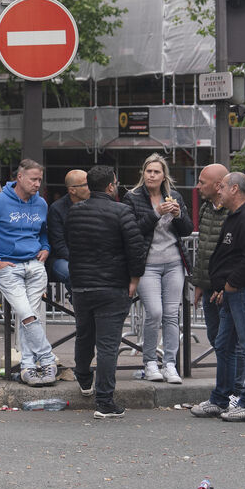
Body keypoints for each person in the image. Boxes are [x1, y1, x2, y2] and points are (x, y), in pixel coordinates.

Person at [66, 165, 145, 418]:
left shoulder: (74, 211)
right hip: (112, 286)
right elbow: (136, 248)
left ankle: (83, 378)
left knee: (84, 335)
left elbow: (70, 243)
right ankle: (104, 401)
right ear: (111, 186)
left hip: (81, 284)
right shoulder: (122, 211)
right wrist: (134, 279)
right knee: (108, 346)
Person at [192, 172, 245, 422]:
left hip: (244, 291)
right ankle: (220, 399)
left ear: (235, 189)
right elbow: (229, 255)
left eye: (223, 187)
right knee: (224, 345)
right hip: (231, 291)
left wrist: (231, 284)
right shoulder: (236, 215)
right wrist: (222, 285)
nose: (219, 191)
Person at [0, 158, 57, 386]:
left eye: (40, 180)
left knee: (27, 317)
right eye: (33, 179)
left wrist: (46, 248)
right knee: (27, 314)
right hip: (8, 267)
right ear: (19, 177)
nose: (37, 184)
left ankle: (28, 367)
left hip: (34, 264)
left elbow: (43, 232)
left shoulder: (41, 203)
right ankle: (48, 360)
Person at [122, 153, 192, 383]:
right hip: (148, 264)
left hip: (174, 262)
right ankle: (150, 362)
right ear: (143, 173)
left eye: (156, 172)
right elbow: (131, 231)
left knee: (171, 314)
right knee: (154, 312)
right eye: (148, 171)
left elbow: (187, 229)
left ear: (164, 176)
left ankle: (170, 364)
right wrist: (156, 214)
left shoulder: (174, 196)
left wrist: (178, 215)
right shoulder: (132, 197)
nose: (151, 175)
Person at [192, 163, 242, 405]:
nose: (198, 186)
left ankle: (237, 390)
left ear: (217, 185)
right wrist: (200, 283)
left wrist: (226, 286)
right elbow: (203, 249)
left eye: (202, 182)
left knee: (230, 342)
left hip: (227, 288)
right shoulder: (205, 208)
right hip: (210, 285)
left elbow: (235, 254)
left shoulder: (234, 212)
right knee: (216, 338)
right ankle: (227, 389)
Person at [46, 169, 89, 301]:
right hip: (62, 259)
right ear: (72, 190)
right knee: (75, 275)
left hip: (89, 258)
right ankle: (81, 307)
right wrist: (80, 261)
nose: (91, 187)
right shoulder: (57, 209)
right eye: (86, 184)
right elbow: (58, 245)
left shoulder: (93, 204)